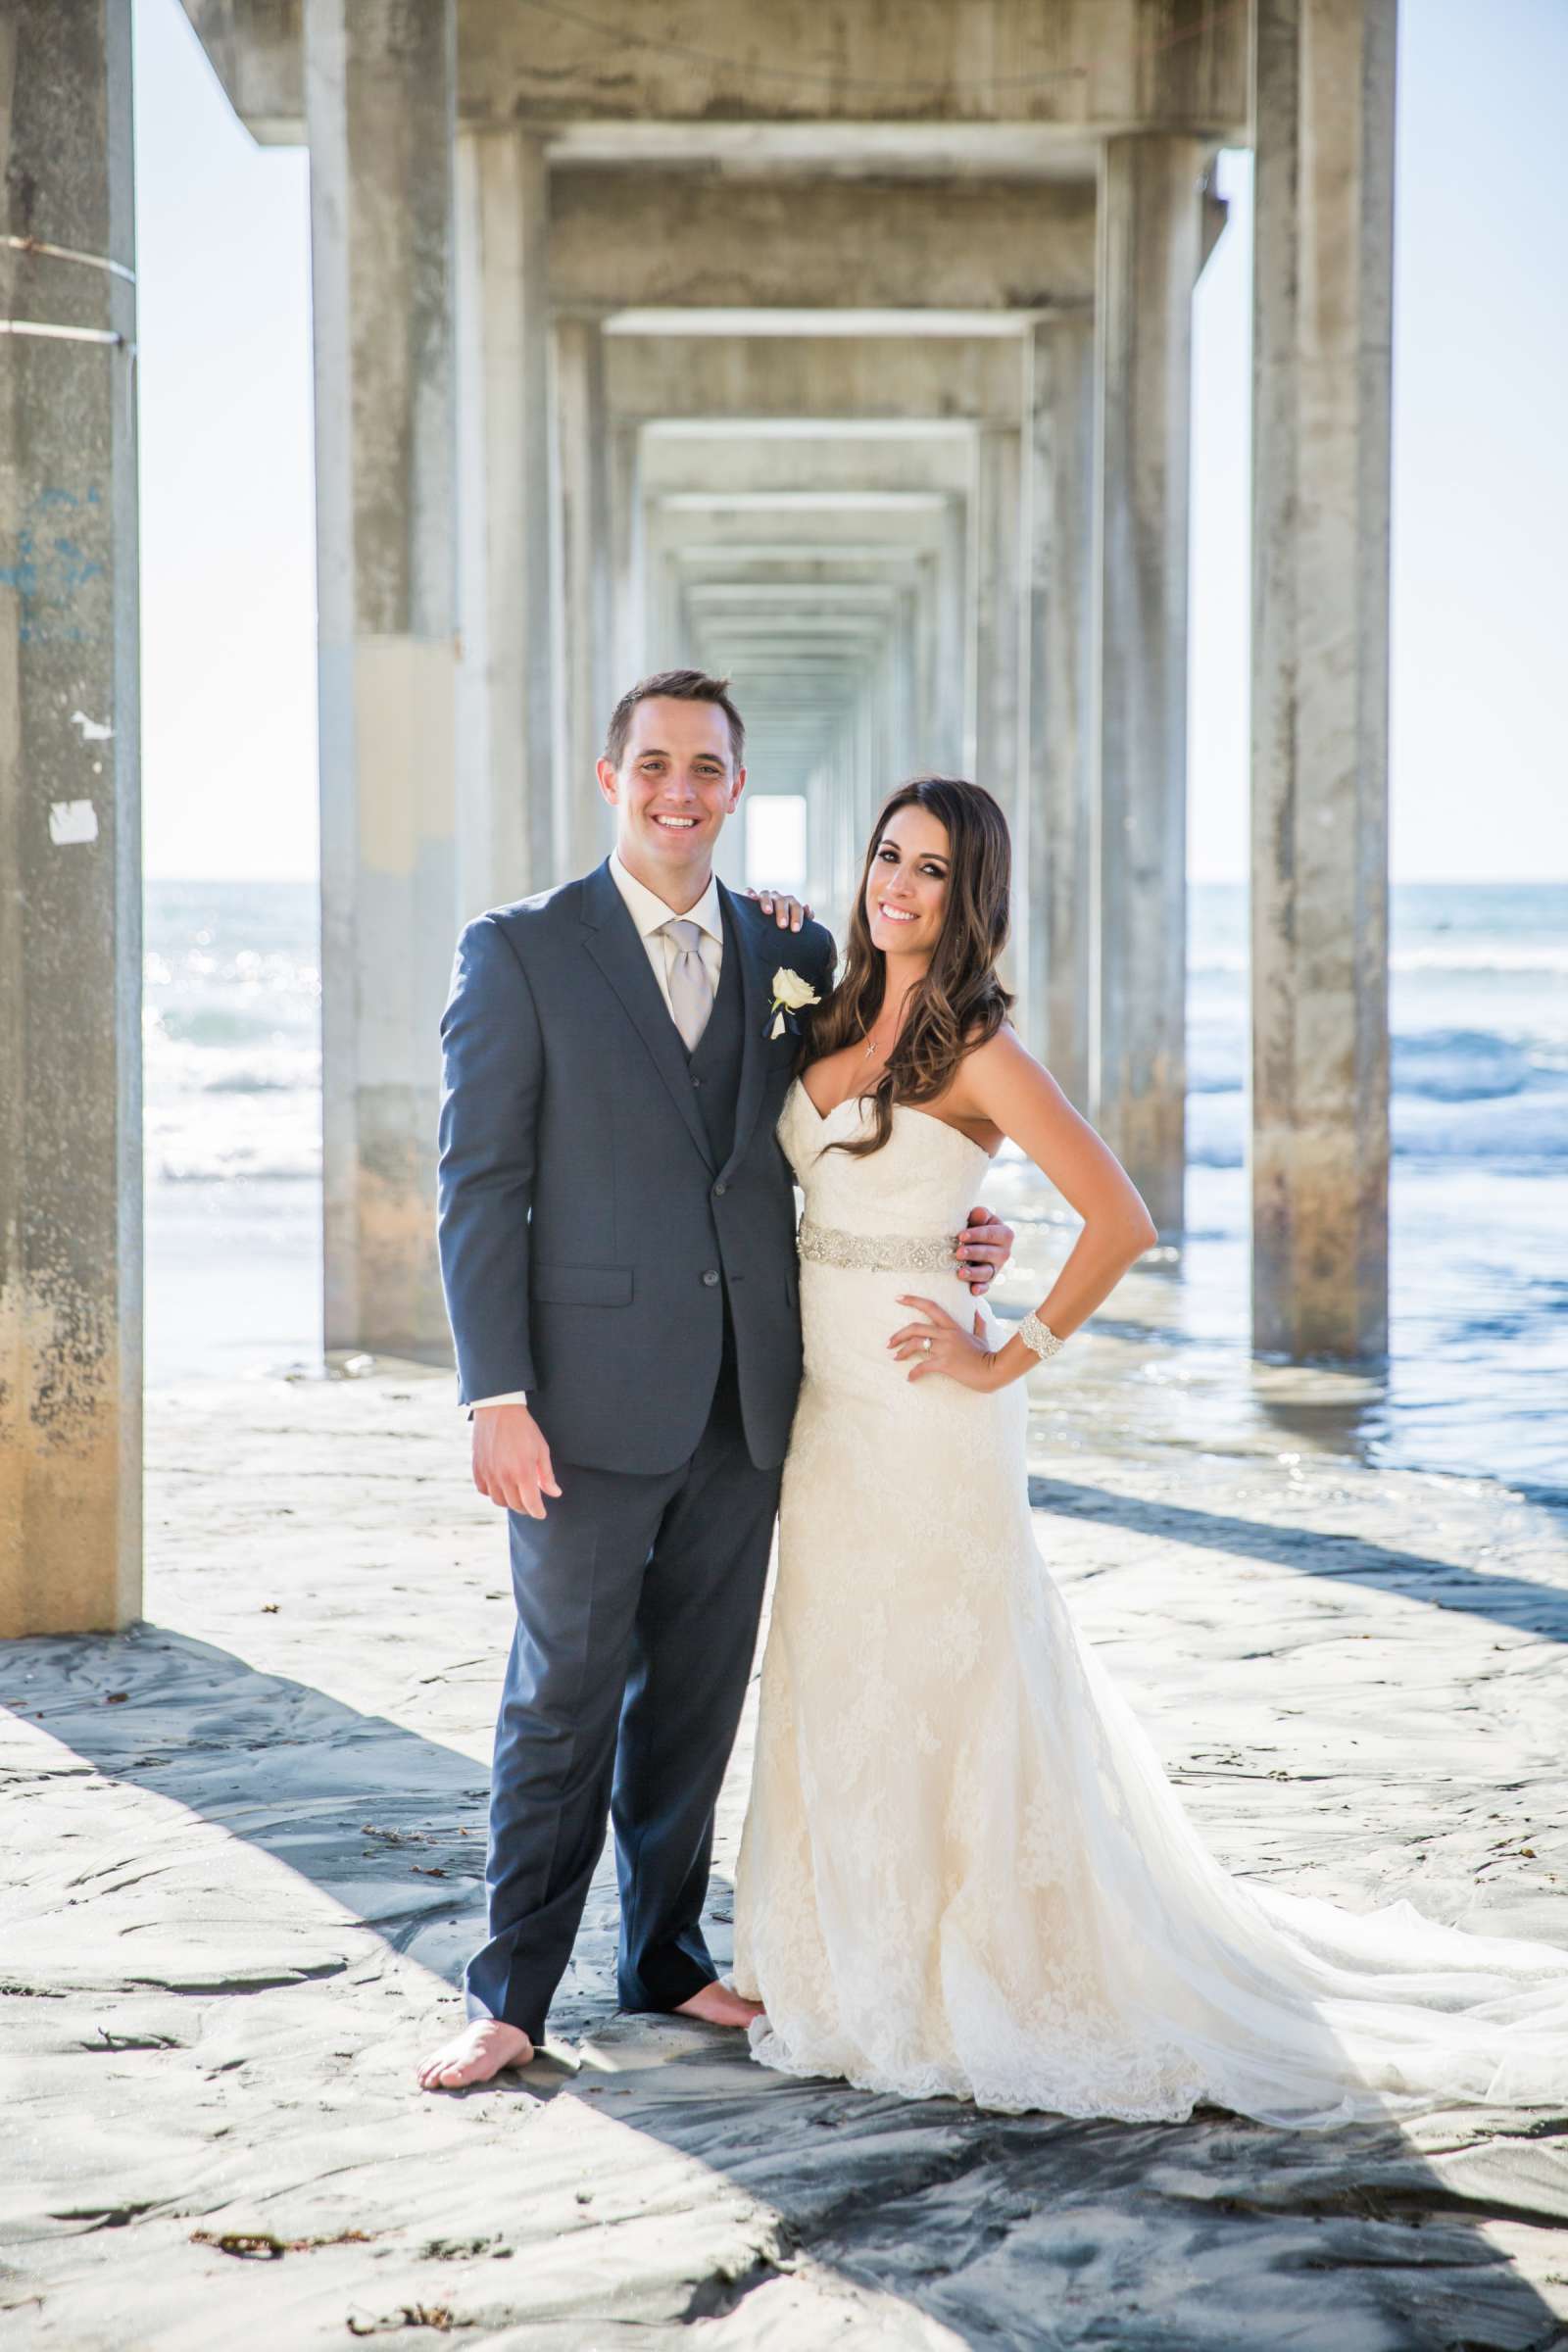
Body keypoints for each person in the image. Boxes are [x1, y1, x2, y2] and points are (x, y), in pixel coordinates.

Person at [732, 774, 1568, 2125]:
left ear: (972, 893)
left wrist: (1007, 1356)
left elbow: (1119, 1220)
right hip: (828, 1415)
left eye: (932, 869)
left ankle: (965, 1970)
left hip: (933, 1418)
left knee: (954, 1682)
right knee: (837, 1668)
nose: (899, 884)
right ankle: (840, 1953)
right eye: (889, 856)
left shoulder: (984, 1050)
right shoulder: (822, 1010)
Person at [416, 675, 1015, 2092]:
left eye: (707, 769)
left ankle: (666, 1958)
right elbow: (477, 1188)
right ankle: (511, 1994)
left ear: (737, 790)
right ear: (610, 776)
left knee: (693, 1699)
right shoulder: (519, 951)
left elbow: (866, 1125)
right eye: (655, 766)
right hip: (576, 1404)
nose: (680, 791)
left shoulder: (788, 953)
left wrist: (962, 1230)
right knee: (561, 1693)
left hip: (757, 1398)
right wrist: (493, 1394)